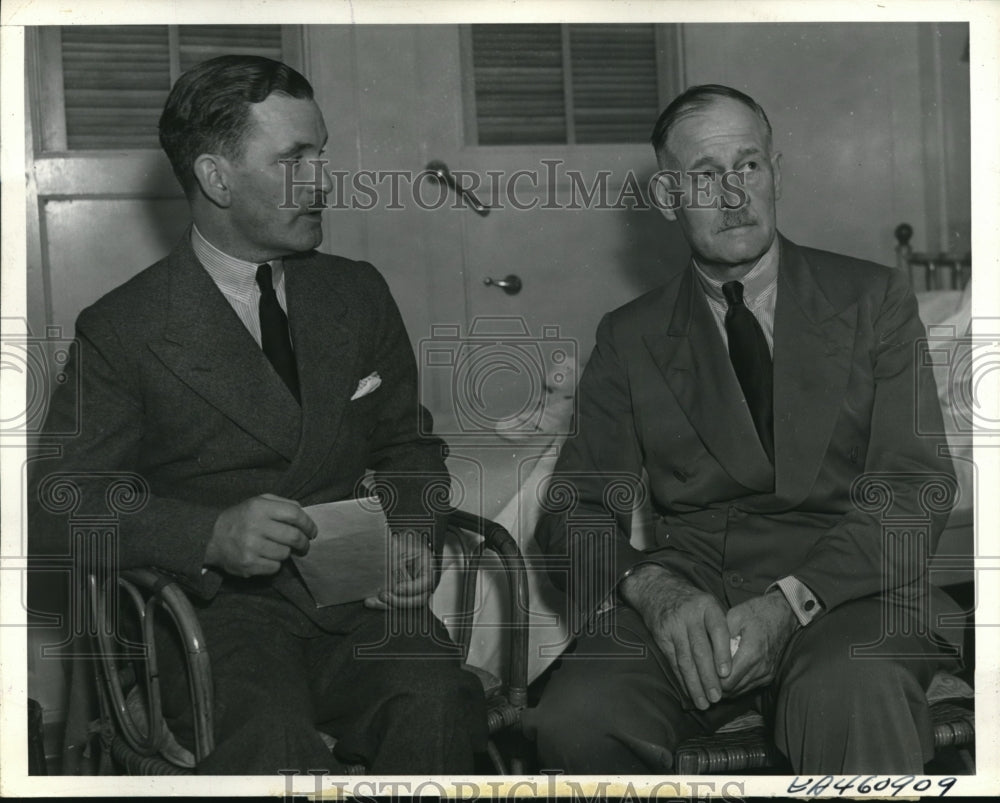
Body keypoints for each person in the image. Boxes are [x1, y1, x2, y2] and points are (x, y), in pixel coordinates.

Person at [28, 55, 486, 775]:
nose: (322, 179)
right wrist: (207, 532)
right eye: (294, 159)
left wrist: (413, 533)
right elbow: (57, 503)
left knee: (439, 704)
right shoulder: (124, 328)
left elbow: (410, 446)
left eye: (321, 154)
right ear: (216, 179)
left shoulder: (357, 293)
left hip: (358, 606)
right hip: (212, 619)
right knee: (270, 745)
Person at [524, 84, 962, 774]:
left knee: (846, 690)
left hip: (852, 591)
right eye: (705, 175)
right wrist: (654, 590)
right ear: (668, 199)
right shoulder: (631, 336)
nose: (734, 195)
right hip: (696, 596)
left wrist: (793, 600)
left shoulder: (871, 299)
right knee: (579, 718)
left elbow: (914, 485)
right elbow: (571, 511)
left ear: (776, 173)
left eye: (749, 166)